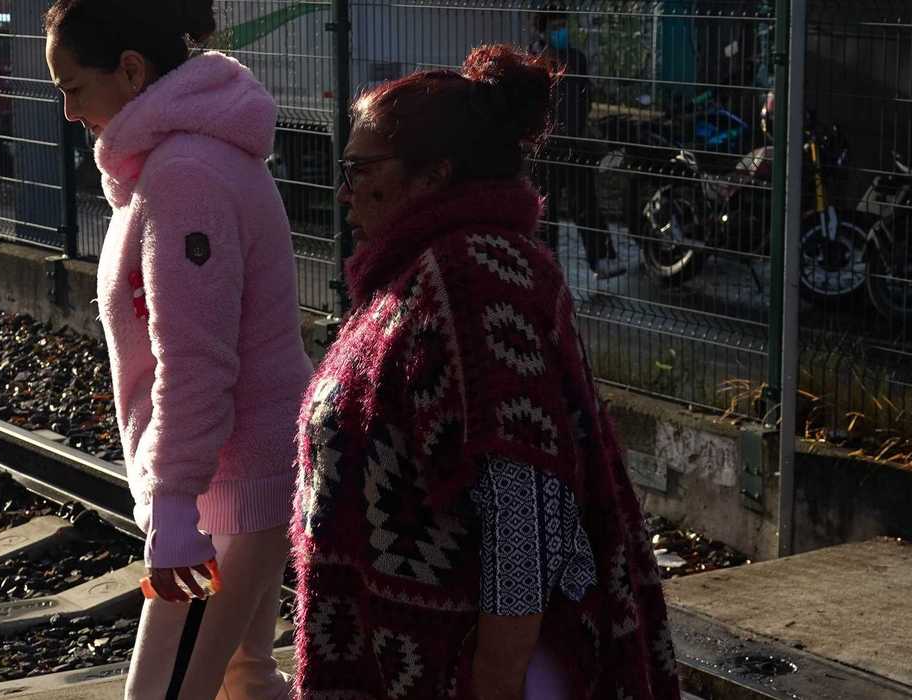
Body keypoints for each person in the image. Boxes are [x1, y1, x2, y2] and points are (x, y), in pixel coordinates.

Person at [291, 45, 680, 699]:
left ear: (433, 175)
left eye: (359, 170)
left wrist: (496, 677)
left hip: (464, 669)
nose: (343, 192)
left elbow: (524, 497)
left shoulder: (471, 277)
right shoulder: (421, 270)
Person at [43, 1, 313, 698]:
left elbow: (195, 363)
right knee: (242, 679)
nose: (70, 112)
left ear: (131, 71)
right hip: (236, 481)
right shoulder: (187, 159)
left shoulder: (184, 175)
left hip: (217, 499)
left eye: (74, 88)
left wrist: (173, 509)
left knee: (164, 689)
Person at [529, 11, 627, 280]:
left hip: (574, 143)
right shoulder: (533, 60)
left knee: (585, 202)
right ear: (542, 30)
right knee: (546, 210)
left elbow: (585, 97)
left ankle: (603, 258)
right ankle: (548, 266)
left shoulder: (576, 58)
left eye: (564, 25)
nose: (561, 31)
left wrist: (579, 127)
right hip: (545, 148)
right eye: (555, 27)